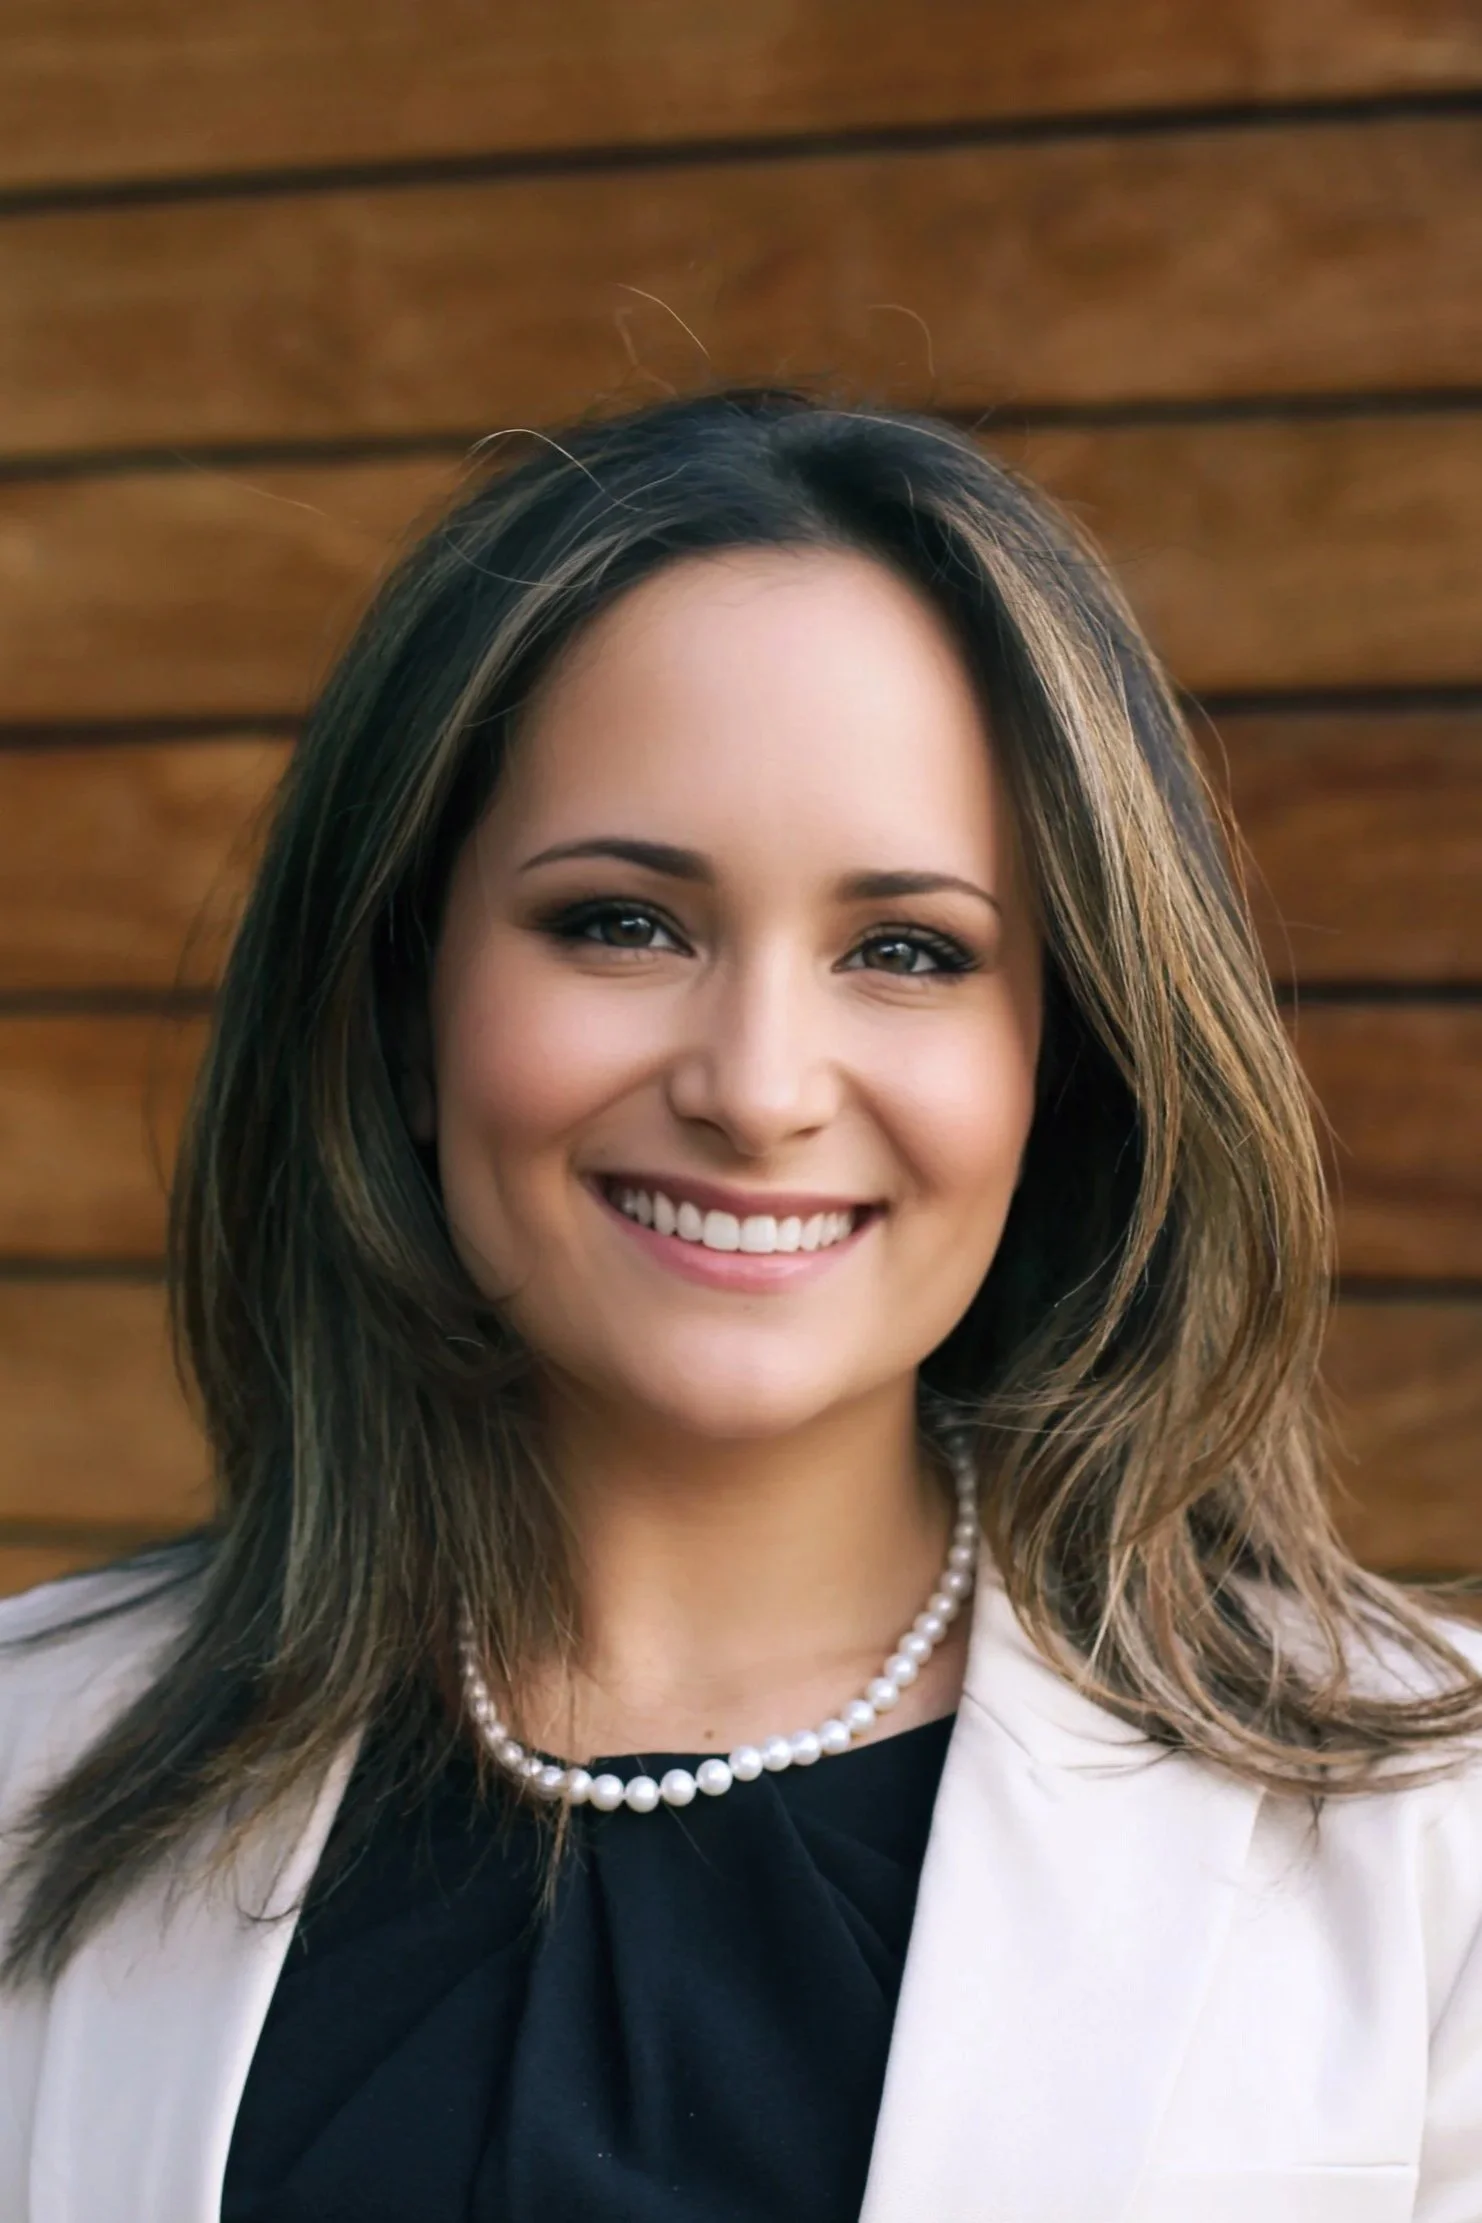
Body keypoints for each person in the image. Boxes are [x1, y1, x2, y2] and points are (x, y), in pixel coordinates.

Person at [1, 388, 1479, 2223]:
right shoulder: (28, 1761)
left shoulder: (1432, 1842)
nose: (758, 1087)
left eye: (906, 950)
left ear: (1064, 1060)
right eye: (622, 922)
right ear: (400, 990)